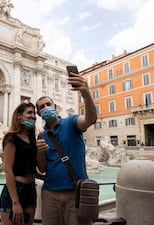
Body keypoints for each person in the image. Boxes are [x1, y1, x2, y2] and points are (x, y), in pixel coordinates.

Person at [35, 69, 97, 225]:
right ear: (39, 113)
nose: (45, 108)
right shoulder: (41, 136)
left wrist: (86, 94)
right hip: (49, 193)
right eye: (41, 107)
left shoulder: (72, 122)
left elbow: (90, 119)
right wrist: (40, 153)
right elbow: (42, 169)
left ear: (55, 107)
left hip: (75, 192)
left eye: (48, 104)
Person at [0, 101, 38, 225]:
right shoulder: (11, 138)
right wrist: (15, 202)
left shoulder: (32, 139)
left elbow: (33, 169)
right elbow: (8, 170)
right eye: (29, 113)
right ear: (19, 116)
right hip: (15, 190)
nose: (33, 116)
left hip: (30, 190)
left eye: (34, 113)